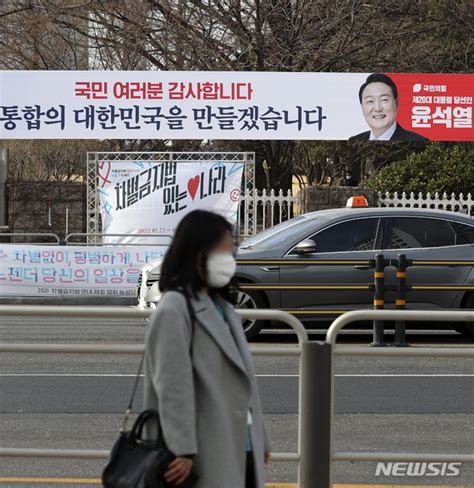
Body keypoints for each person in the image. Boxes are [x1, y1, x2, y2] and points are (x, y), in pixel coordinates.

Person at [144, 210, 271, 488]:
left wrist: (261, 438)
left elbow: (244, 382)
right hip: (202, 449)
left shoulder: (222, 306)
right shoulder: (175, 307)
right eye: (224, 249)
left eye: (231, 248)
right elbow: (172, 386)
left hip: (239, 442)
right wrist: (183, 449)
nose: (230, 257)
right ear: (197, 252)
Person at [349, 73, 428, 142]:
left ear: (396, 104)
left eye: (384, 100)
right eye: (370, 101)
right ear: (362, 107)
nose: (377, 108)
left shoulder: (418, 140)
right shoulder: (354, 140)